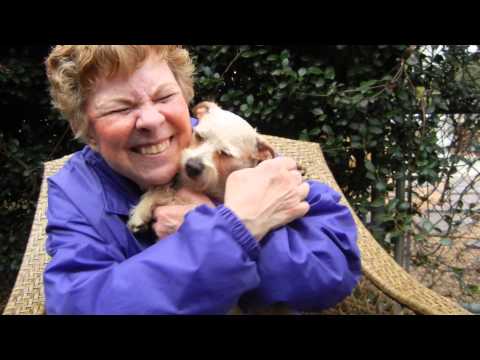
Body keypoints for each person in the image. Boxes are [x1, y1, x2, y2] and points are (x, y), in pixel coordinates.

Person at [43, 45, 362, 314]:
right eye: (120, 108)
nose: (153, 121)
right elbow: (80, 303)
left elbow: (331, 267)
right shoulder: (76, 193)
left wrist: (210, 225)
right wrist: (235, 229)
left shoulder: (229, 141)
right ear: (85, 129)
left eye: (164, 96)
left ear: (186, 100)